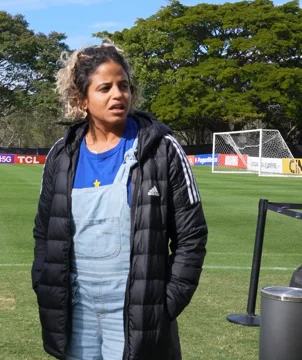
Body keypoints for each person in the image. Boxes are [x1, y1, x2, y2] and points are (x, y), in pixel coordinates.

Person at [31, 40, 208, 360]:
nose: (118, 94)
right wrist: (44, 284)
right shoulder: (61, 155)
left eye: (123, 86)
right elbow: (44, 232)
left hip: (137, 316)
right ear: (81, 98)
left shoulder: (162, 149)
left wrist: (164, 305)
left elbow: (191, 237)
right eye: (105, 88)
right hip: (77, 315)